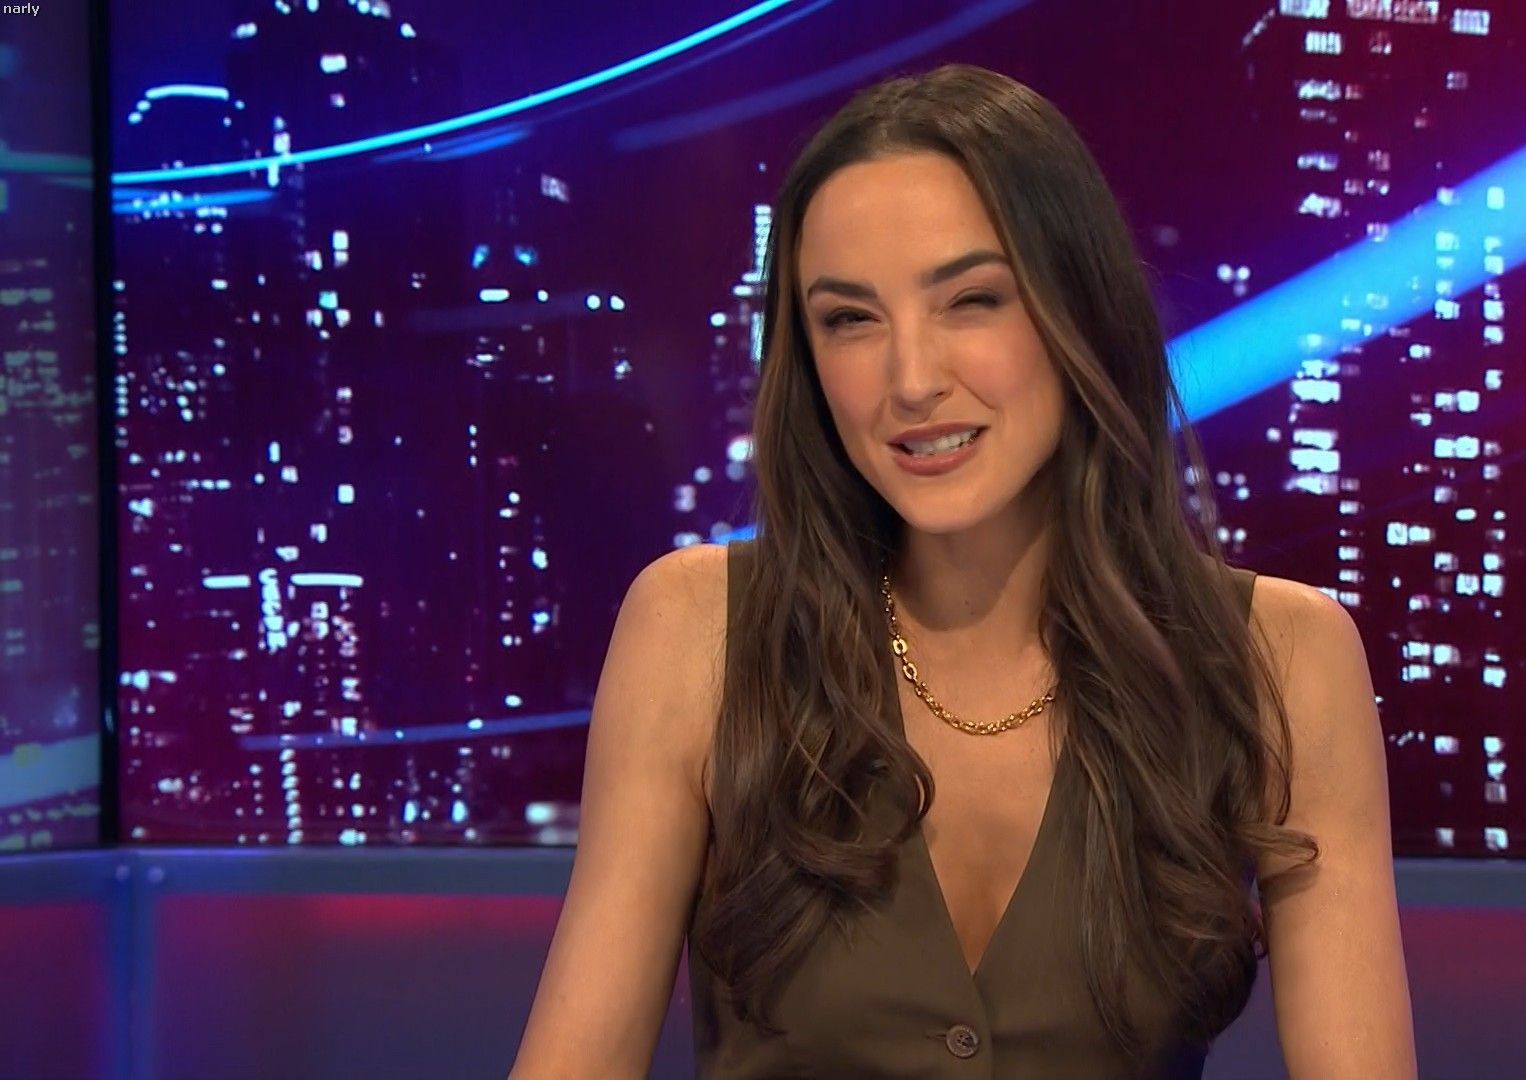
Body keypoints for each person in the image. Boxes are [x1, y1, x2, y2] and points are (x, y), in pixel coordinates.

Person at [510, 63, 1415, 1079]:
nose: (910, 380)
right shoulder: (698, 628)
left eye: (972, 300)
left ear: (1080, 311)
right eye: (849, 319)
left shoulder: (1280, 658)